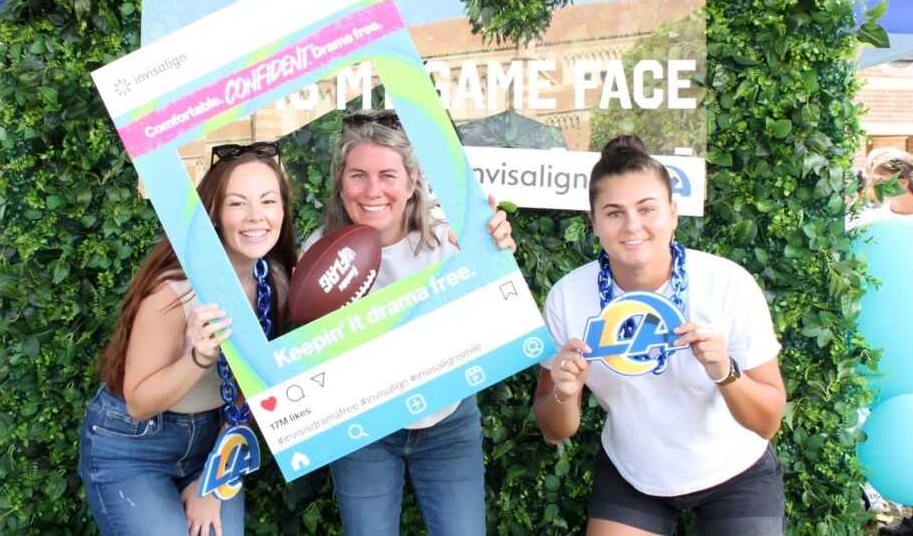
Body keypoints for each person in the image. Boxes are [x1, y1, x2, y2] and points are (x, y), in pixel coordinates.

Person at [533, 135, 787, 536]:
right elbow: (553, 428)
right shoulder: (569, 297)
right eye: (614, 213)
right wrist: (566, 390)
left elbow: (768, 420)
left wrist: (724, 371)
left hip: (736, 470)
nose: (633, 226)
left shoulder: (726, 283)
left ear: (673, 213)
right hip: (634, 473)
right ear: (593, 222)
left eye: (647, 209)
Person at [303, 109, 515, 536]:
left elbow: (497, 316)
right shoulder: (318, 256)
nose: (373, 190)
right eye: (358, 175)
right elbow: (313, 364)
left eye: (388, 175)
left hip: (447, 419)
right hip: (365, 428)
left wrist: (493, 251)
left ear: (412, 180)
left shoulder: (450, 234)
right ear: (340, 183)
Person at [78, 141, 297, 536]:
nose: (255, 217)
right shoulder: (174, 290)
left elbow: (248, 391)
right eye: (236, 203)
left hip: (211, 441)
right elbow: (140, 403)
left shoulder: (274, 282)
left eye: (268, 201)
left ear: (283, 209)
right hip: (134, 444)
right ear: (213, 212)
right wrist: (198, 357)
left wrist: (212, 480)